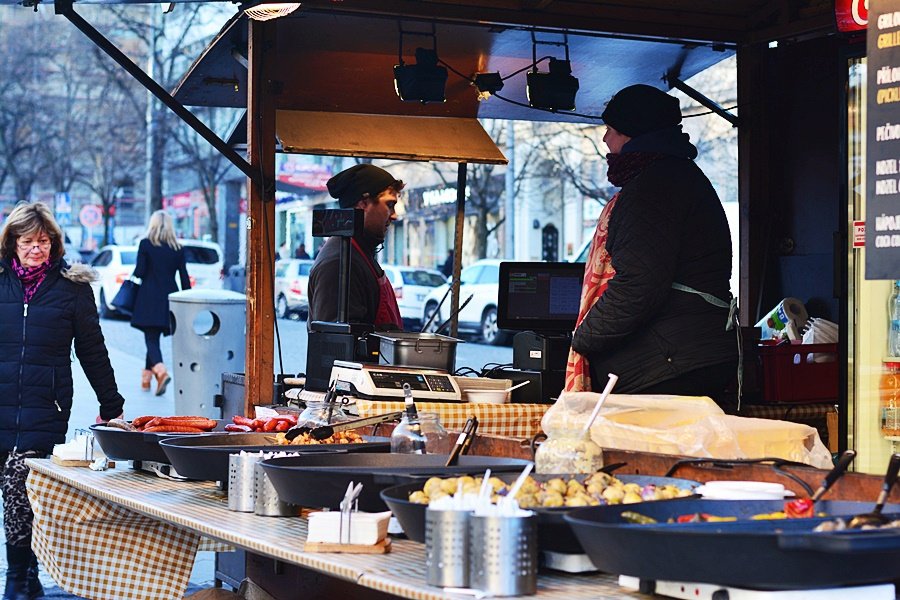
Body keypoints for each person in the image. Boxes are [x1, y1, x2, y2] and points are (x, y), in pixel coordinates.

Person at [567, 84, 738, 404]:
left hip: (670, 366)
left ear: (633, 134)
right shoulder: (676, 175)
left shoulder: (653, 189)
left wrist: (583, 339)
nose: (605, 139)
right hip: (686, 356)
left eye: (611, 130)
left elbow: (639, 284)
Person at [0, 202, 125, 599]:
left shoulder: (73, 289)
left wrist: (112, 404)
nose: (36, 249)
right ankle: (25, 573)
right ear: (12, 244)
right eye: (27, 242)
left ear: (54, 242)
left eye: (43, 241)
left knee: (19, 488)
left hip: (44, 408)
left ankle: (20, 575)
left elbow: (93, 350)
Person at [307, 164, 404, 330]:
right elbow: (336, 345)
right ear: (364, 204)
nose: (394, 215)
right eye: (389, 205)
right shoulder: (339, 263)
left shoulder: (360, 254)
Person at [130, 210, 191, 396]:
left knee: (150, 337)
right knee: (154, 336)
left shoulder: (146, 244)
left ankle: (161, 371)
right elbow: (184, 277)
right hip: (170, 297)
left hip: (148, 296)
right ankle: (147, 379)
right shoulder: (178, 248)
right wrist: (187, 298)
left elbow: (140, 272)